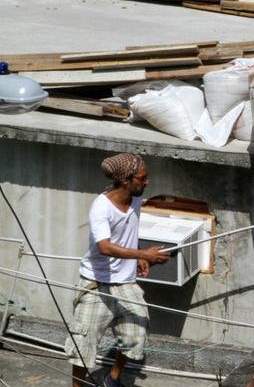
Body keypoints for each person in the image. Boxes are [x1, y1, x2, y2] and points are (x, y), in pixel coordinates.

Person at [65, 153, 169, 387]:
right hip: (96, 284)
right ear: (126, 180)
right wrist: (145, 255)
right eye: (142, 178)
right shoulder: (101, 208)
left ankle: (111, 379)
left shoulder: (134, 200)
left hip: (125, 283)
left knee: (136, 335)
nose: (147, 182)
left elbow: (126, 234)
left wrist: (138, 255)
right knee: (83, 344)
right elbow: (105, 246)